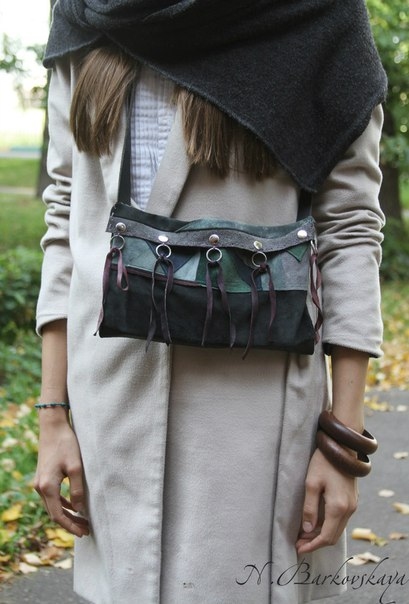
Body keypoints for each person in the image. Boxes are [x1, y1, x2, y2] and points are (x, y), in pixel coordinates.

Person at [34, 1, 387, 603]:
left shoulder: (318, 15)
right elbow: (66, 215)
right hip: (110, 411)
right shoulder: (87, 12)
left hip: (257, 424)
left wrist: (343, 445)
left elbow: (350, 228)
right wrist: (52, 415)